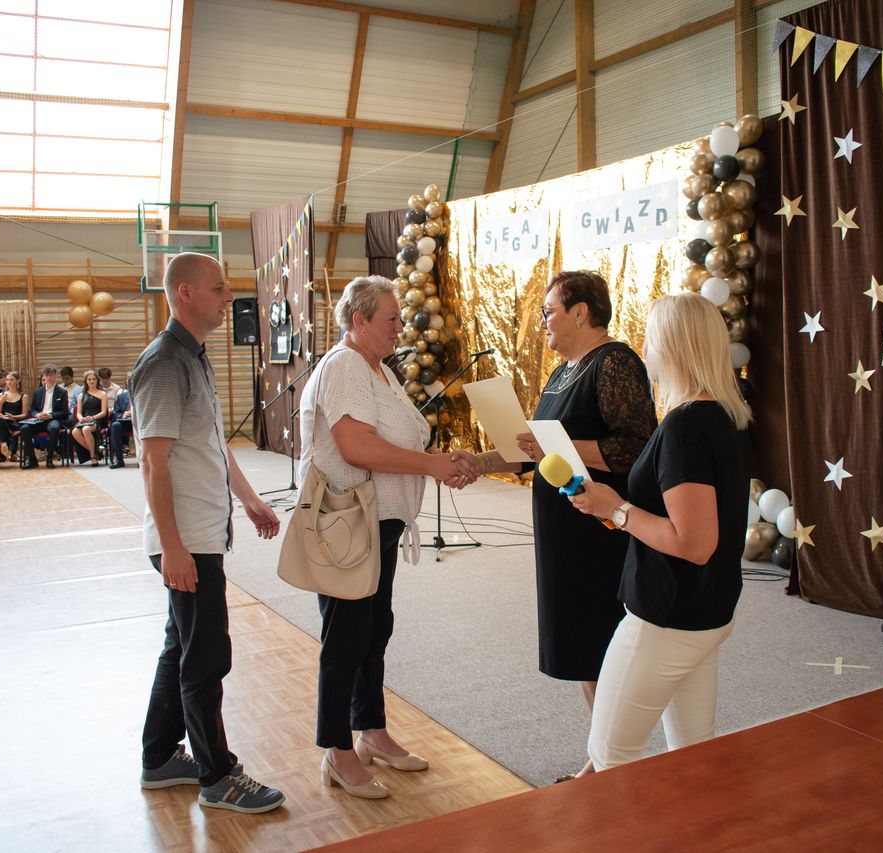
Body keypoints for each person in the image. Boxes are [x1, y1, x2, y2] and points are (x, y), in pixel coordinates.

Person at [462, 270, 655, 779]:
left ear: (581, 312)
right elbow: (535, 452)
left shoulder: (614, 362)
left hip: (599, 531)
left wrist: (558, 445)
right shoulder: (561, 372)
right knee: (583, 647)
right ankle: (603, 758)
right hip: (563, 534)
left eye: (549, 311)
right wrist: (478, 463)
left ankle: (609, 762)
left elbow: (637, 447)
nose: (543, 321)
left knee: (601, 641)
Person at [297, 275, 477, 800]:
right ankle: (336, 750)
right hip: (349, 522)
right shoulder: (346, 366)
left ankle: (370, 730)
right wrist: (431, 466)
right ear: (358, 321)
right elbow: (356, 447)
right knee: (347, 637)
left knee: (374, 630)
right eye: (391, 319)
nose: (401, 327)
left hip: (379, 522)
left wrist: (438, 461)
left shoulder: (376, 367)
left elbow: (396, 438)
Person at [569, 292, 752, 773]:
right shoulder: (727, 416)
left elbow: (695, 543)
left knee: (609, 757)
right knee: (692, 753)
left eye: (649, 338)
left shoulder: (684, 427)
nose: (645, 349)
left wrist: (617, 509)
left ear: (671, 346)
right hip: (705, 611)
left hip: (667, 615)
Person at [131, 251, 286, 814]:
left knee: (181, 647)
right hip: (186, 541)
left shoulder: (194, 356)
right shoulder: (164, 363)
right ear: (186, 293)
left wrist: (248, 499)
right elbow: (153, 462)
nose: (229, 297)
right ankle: (217, 777)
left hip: (199, 533)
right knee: (205, 659)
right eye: (219, 288)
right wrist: (173, 547)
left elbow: (213, 445)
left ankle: (158, 758)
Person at [19, 364, 69, 468]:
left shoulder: (62, 392)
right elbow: (32, 409)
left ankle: (49, 458)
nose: (49, 378)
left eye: (51, 375)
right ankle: (32, 460)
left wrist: (50, 415)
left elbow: (64, 412)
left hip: (52, 419)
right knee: (24, 428)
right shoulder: (38, 391)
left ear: (55, 376)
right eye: (47, 375)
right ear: (43, 376)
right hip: (39, 420)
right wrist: (37, 414)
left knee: (55, 428)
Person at [0, 370, 28, 470]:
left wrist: (13, 417)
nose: (9, 382)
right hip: (2, 421)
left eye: (12, 380)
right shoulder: (1, 395)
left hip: (14, 422)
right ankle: (3, 444)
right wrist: (0, 402)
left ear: (18, 381)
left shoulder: (23, 396)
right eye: (7, 380)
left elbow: (24, 415)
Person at [69, 370, 108, 465]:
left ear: (97, 380)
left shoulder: (102, 394)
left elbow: (104, 412)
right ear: (86, 381)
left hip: (96, 420)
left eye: (94, 379)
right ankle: (95, 452)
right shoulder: (81, 396)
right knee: (74, 431)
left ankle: (93, 456)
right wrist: (81, 418)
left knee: (86, 429)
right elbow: (78, 413)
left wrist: (93, 418)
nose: (92, 381)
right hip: (84, 420)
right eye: (89, 379)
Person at [108, 389, 133, 468]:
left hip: (140, 422)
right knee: (115, 425)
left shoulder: (143, 394)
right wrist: (123, 415)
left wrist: (132, 413)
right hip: (126, 423)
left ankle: (143, 459)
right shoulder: (121, 397)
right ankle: (119, 460)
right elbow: (116, 413)